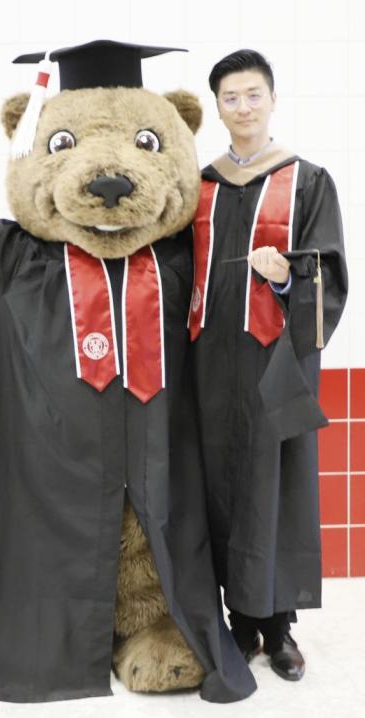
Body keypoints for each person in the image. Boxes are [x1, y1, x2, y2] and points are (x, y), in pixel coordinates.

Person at [188, 49, 348, 681]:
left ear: (273, 99)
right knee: (215, 486)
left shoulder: (308, 180)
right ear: (218, 107)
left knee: (274, 485)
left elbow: (329, 273)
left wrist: (285, 278)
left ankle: (279, 628)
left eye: (253, 94)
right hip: (207, 366)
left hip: (274, 363)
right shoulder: (201, 185)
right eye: (230, 98)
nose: (243, 107)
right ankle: (236, 622)